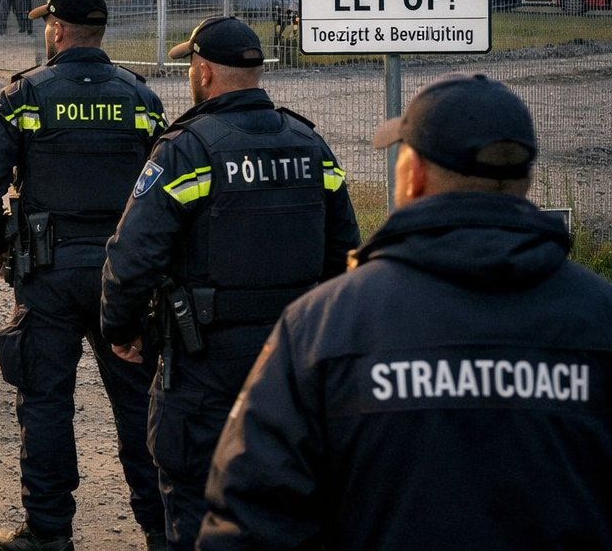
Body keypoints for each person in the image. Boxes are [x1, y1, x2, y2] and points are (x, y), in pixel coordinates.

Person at [198, 73, 612, 551]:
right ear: (526, 178)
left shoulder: (325, 325)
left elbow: (251, 519)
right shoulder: (600, 316)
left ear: (412, 175)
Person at [100, 15, 360, 551]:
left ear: (202, 71)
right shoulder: (310, 144)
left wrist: (119, 328)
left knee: (197, 504)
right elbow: (346, 253)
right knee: (291, 504)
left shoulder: (188, 149)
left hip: (204, 365)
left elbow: (132, 255)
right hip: (293, 360)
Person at [0, 0, 169, 551]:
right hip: (123, 277)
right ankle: (161, 531)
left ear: (55, 29)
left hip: (47, 275)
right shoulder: (141, 98)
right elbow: (166, 192)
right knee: (140, 404)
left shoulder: (25, 95)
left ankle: (48, 534)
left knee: (46, 403)